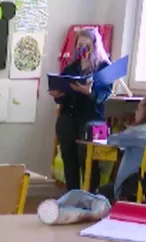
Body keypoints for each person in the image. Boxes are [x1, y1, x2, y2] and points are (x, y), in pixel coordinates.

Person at [49, 27, 113, 192]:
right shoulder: (71, 68)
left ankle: (90, 195)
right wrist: (58, 95)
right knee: (69, 157)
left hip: (92, 118)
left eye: (87, 45)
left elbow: (104, 95)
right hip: (70, 115)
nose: (82, 49)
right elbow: (64, 94)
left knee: (86, 157)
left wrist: (89, 92)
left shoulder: (105, 67)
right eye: (79, 45)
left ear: (95, 46)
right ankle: (73, 194)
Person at [96, 95, 146, 202]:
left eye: (139, 109)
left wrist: (127, 130)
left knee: (100, 193)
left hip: (135, 183)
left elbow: (112, 140)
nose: (136, 112)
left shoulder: (138, 131)